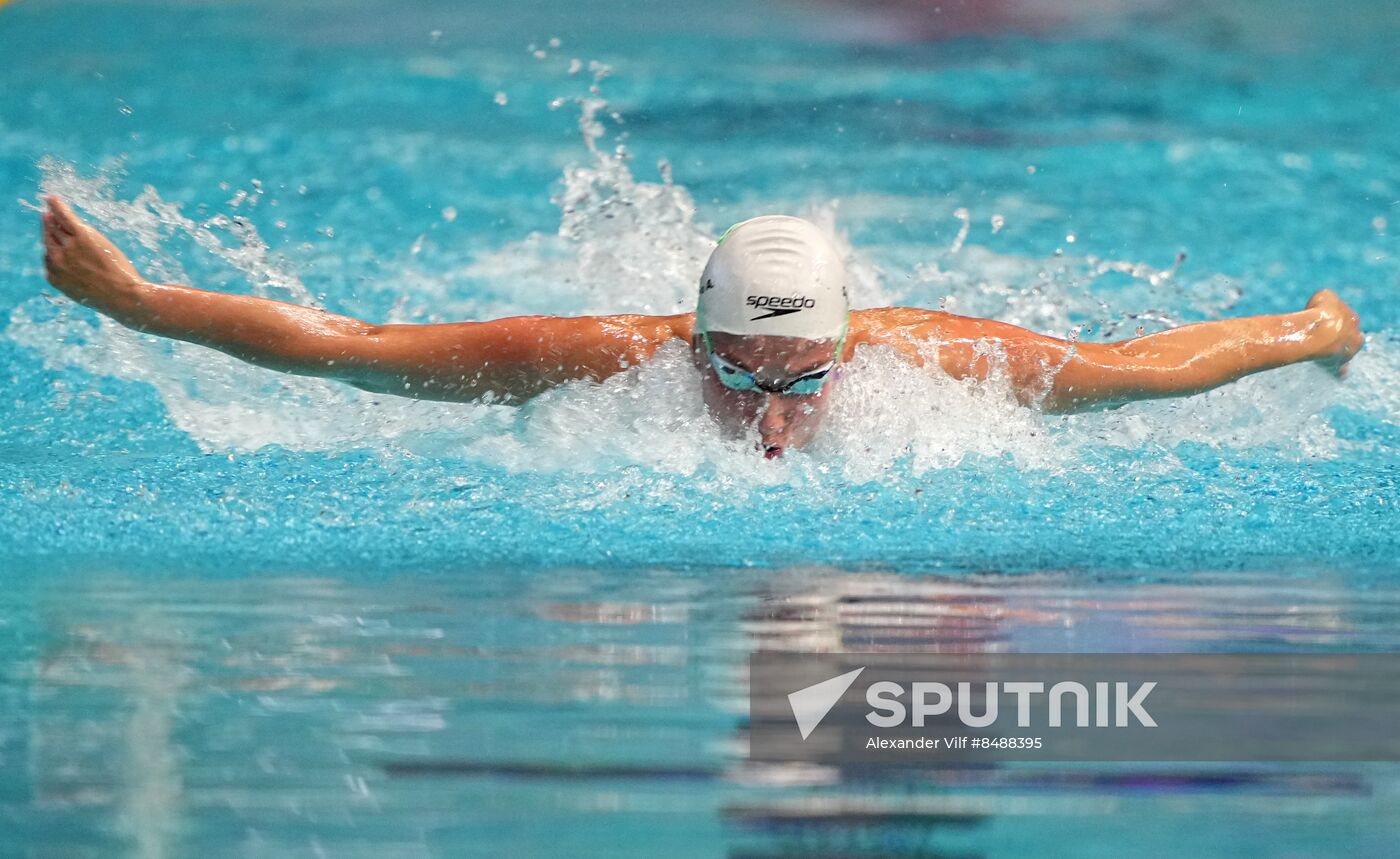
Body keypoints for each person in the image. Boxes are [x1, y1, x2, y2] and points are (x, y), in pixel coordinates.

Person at [40, 196, 1363, 459]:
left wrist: (1313, 329)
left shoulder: (946, 366)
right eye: (734, 368)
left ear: (849, 344)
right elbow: (355, 346)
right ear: (689, 340)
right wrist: (143, 306)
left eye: (800, 372)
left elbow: (1150, 369)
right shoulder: (599, 359)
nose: (771, 415)